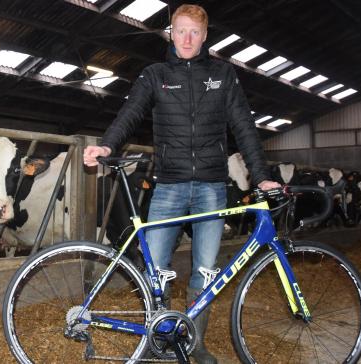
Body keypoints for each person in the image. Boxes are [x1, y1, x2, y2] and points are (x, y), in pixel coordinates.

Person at [83, 4, 280, 363]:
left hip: (211, 188)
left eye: (194, 32)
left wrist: (262, 175)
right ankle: (155, 343)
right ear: (170, 33)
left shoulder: (224, 74)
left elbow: (244, 127)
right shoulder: (154, 75)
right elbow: (130, 113)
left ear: (205, 36)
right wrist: (108, 144)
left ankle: (195, 345)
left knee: (205, 270)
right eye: (180, 30)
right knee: (154, 270)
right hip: (168, 185)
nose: (187, 38)